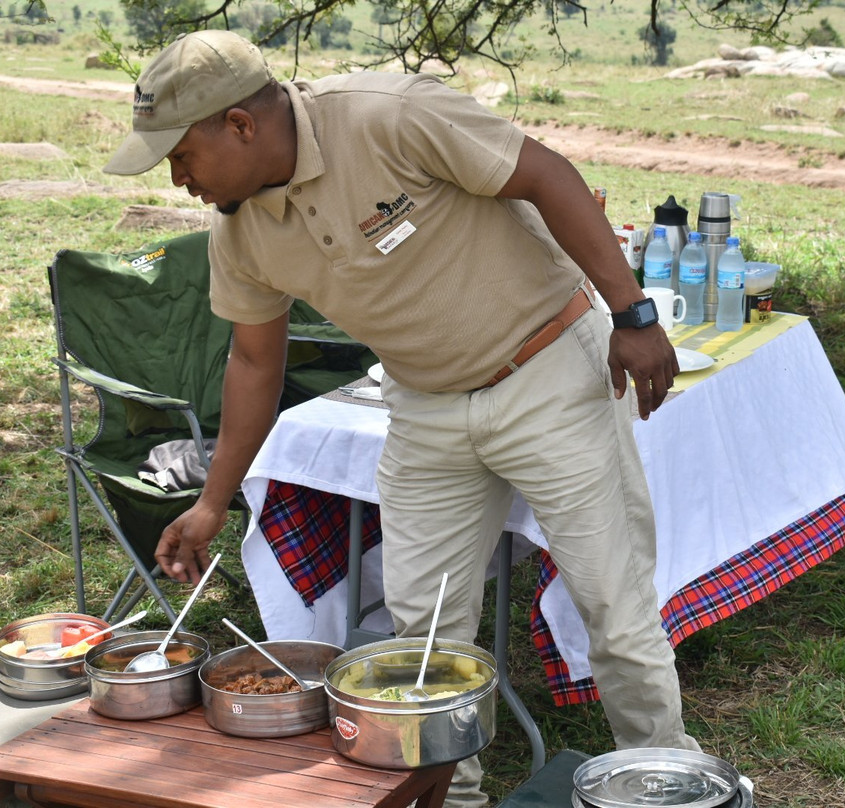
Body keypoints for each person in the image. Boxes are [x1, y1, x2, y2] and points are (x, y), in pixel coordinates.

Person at [105, 30, 699, 806]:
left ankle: (666, 781)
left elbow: (547, 177)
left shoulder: (387, 115)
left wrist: (634, 314)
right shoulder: (239, 230)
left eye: (180, 155)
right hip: (423, 406)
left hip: (548, 370)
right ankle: (448, 794)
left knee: (612, 605)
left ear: (240, 126)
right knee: (422, 638)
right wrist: (214, 501)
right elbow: (254, 363)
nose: (177, 178)